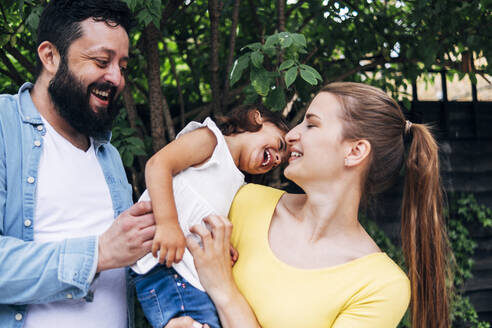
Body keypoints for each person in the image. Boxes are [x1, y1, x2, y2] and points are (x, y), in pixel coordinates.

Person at [168, 82, 451, 328]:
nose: (291, 135)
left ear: (355, 151)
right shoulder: (243, 201)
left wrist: (223, 289)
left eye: (312, 124)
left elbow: (216, 289)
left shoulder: (379, 285)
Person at [0, 1, 156, 327]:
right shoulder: (4, 127)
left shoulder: (108, 155)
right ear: (50, 56)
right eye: (101, 61)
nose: (116, 78)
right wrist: (97, 254)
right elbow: (108, 251)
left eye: (123, 67)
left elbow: (128, 263)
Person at [131, 105, 290, 328]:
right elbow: (158, 165)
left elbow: (201, 213)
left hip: (189, 274)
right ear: (256, 118)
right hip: (166, 265)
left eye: (279, 161)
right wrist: (168, 225)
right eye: (279, 146)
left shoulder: (236, 181)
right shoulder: (211, 141)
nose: (275, 159)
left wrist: (222, 246)